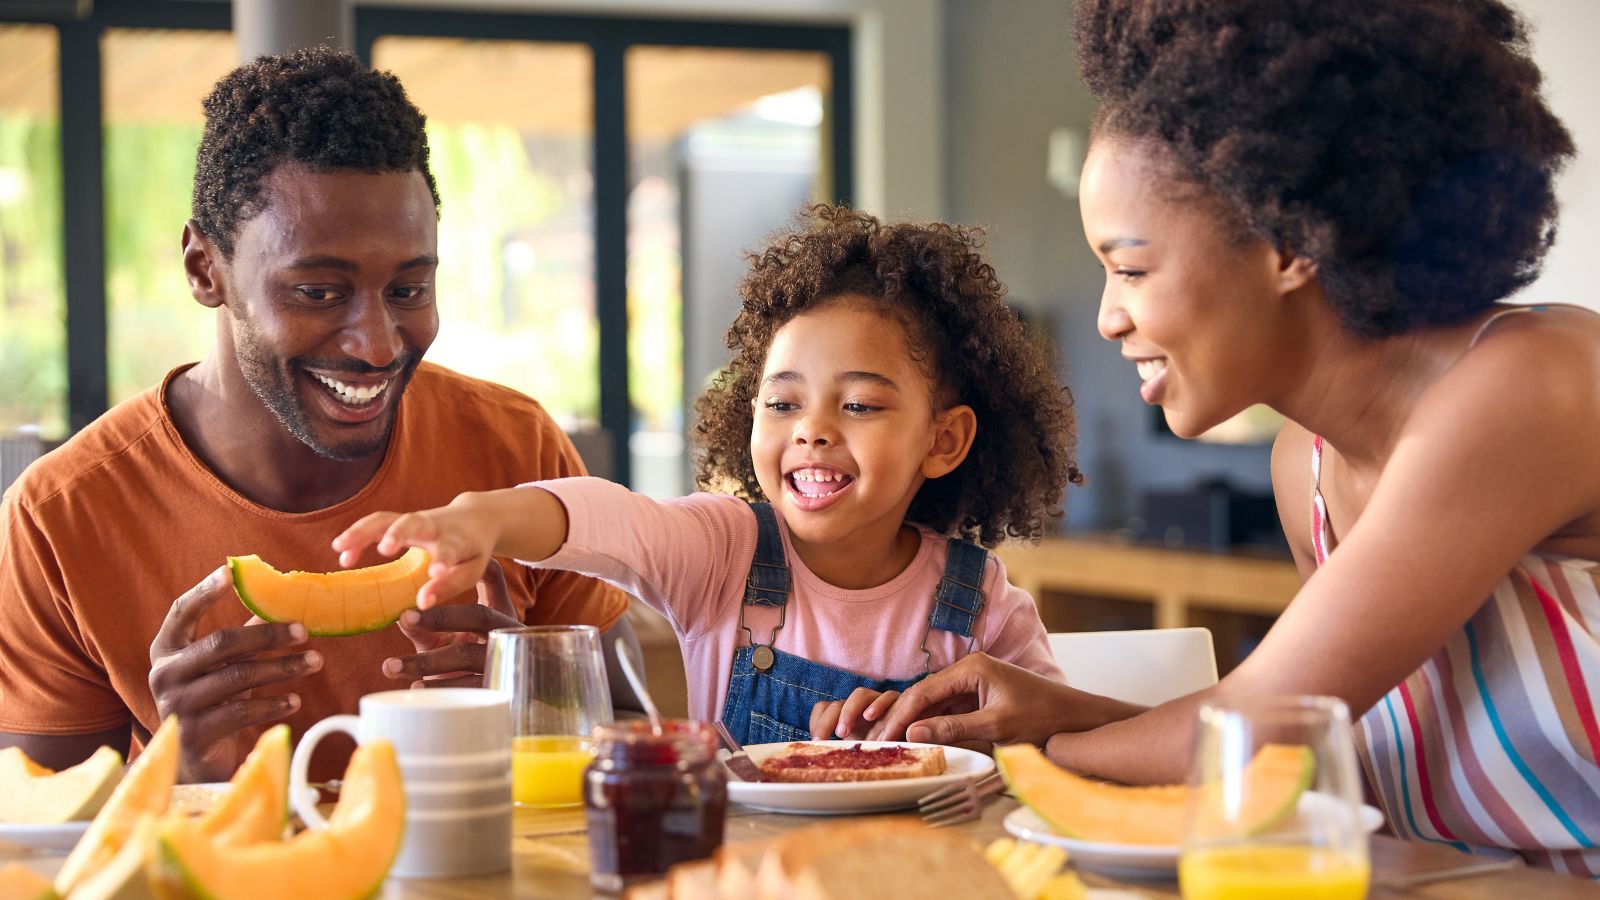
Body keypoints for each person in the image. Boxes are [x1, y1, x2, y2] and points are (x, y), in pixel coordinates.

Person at [870, 0, 1600, 877]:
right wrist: (1056, 714)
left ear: (1287, 240)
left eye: (1131, 267)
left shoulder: (1536, 383)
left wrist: (1016, 758)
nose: (1108, 317)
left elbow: (1254, 728)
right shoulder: (1309, 469)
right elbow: (1304, 741)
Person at [0, 47, 640, 784]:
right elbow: (37, 842)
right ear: (205, 269)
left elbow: (645, 742)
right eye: (318, 292)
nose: (376, 346)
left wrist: (536, 708)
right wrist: (184, 771)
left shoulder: (516, 449)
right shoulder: (63, 517)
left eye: (407, 290)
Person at [332, 205, 1081, 745]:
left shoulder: (977, 600)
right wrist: (485, 519)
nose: (811, 428)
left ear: (943, 440)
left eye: (857, 404)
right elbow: (608, 518)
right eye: (783, 402)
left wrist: (971, 742)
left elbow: (1054, 741)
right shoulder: (724, 551)